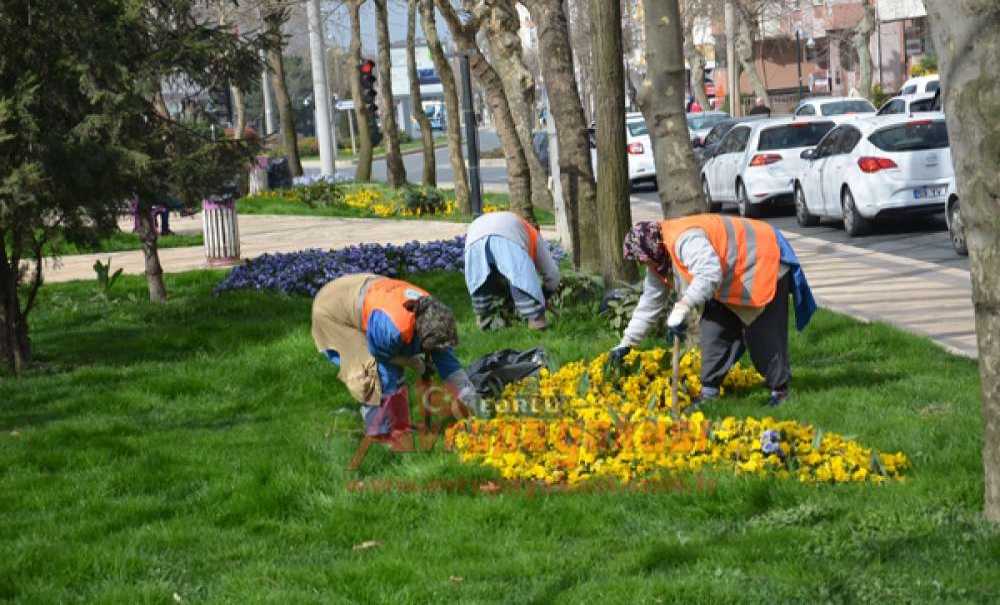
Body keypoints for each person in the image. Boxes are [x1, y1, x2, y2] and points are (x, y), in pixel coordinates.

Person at [611, 216, 816, 407]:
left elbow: (709, 274)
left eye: (641, 258)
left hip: (761, 260)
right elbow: (649, 304)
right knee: (714, 333)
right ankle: (709, 391)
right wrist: (626, 344)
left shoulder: (685, 241)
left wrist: (682, 307)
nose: (642, 263)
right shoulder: (659, 260)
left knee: (763, 335)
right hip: (731, 276)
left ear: (651, 248)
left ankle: (780, 391)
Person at [311, 274, 482, 448]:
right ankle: (381, 435)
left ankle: (399, 427)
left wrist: (475, 405)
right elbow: (379, 354)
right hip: (334, 309)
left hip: (368, 292)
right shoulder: (392, 330)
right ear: (419, 332)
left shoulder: (435, 317)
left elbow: (450, 367)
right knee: (377, 375)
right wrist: (414, 363)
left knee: (397, 368)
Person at [464, 211, 560, 331]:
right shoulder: (534, 235)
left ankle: (484, 321)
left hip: (474, 236)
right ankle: (537, 324)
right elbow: (552, 274)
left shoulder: (518, 225)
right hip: (506, 236)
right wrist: (545, 294)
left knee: (480, 278)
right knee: (521, 279)